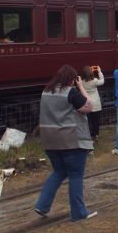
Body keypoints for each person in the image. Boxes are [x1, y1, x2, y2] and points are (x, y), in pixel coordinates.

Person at [33, 65, 96, 221]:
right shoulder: (71, 92)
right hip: (71, 141)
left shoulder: (45, 92)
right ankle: (79, 212)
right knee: (75, 175)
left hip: (49, 141)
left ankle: (42, 205)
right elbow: (89, 107)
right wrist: (81, 87)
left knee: (59, 172)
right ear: (73, 79)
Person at [80, 65, 105, 142]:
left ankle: (90, 135)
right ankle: (96, 135)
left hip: (87, 104)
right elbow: (102, 81)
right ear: (91, 73)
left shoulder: (82, 82)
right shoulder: (94, 81)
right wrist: (99, 71)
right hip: (96, 104)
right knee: (96, 121)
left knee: (88, 121)